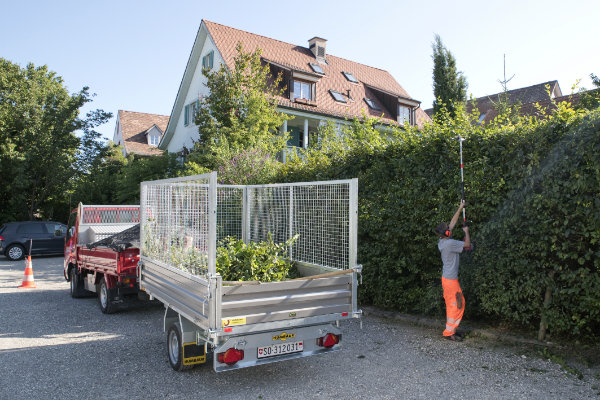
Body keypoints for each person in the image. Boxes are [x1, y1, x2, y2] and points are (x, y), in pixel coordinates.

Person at [435, 200, 471, 341]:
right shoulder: (450, 244)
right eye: (448, 228)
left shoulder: (443, 240)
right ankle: (449, 332)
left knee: (454, 304)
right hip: (450, 281)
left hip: (448, 279)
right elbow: (467, 244)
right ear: (447, 233)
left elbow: (452, 222)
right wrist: (466, 232)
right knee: (457, 305)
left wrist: (460, 207)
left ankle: (451, 331)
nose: (450, 227)